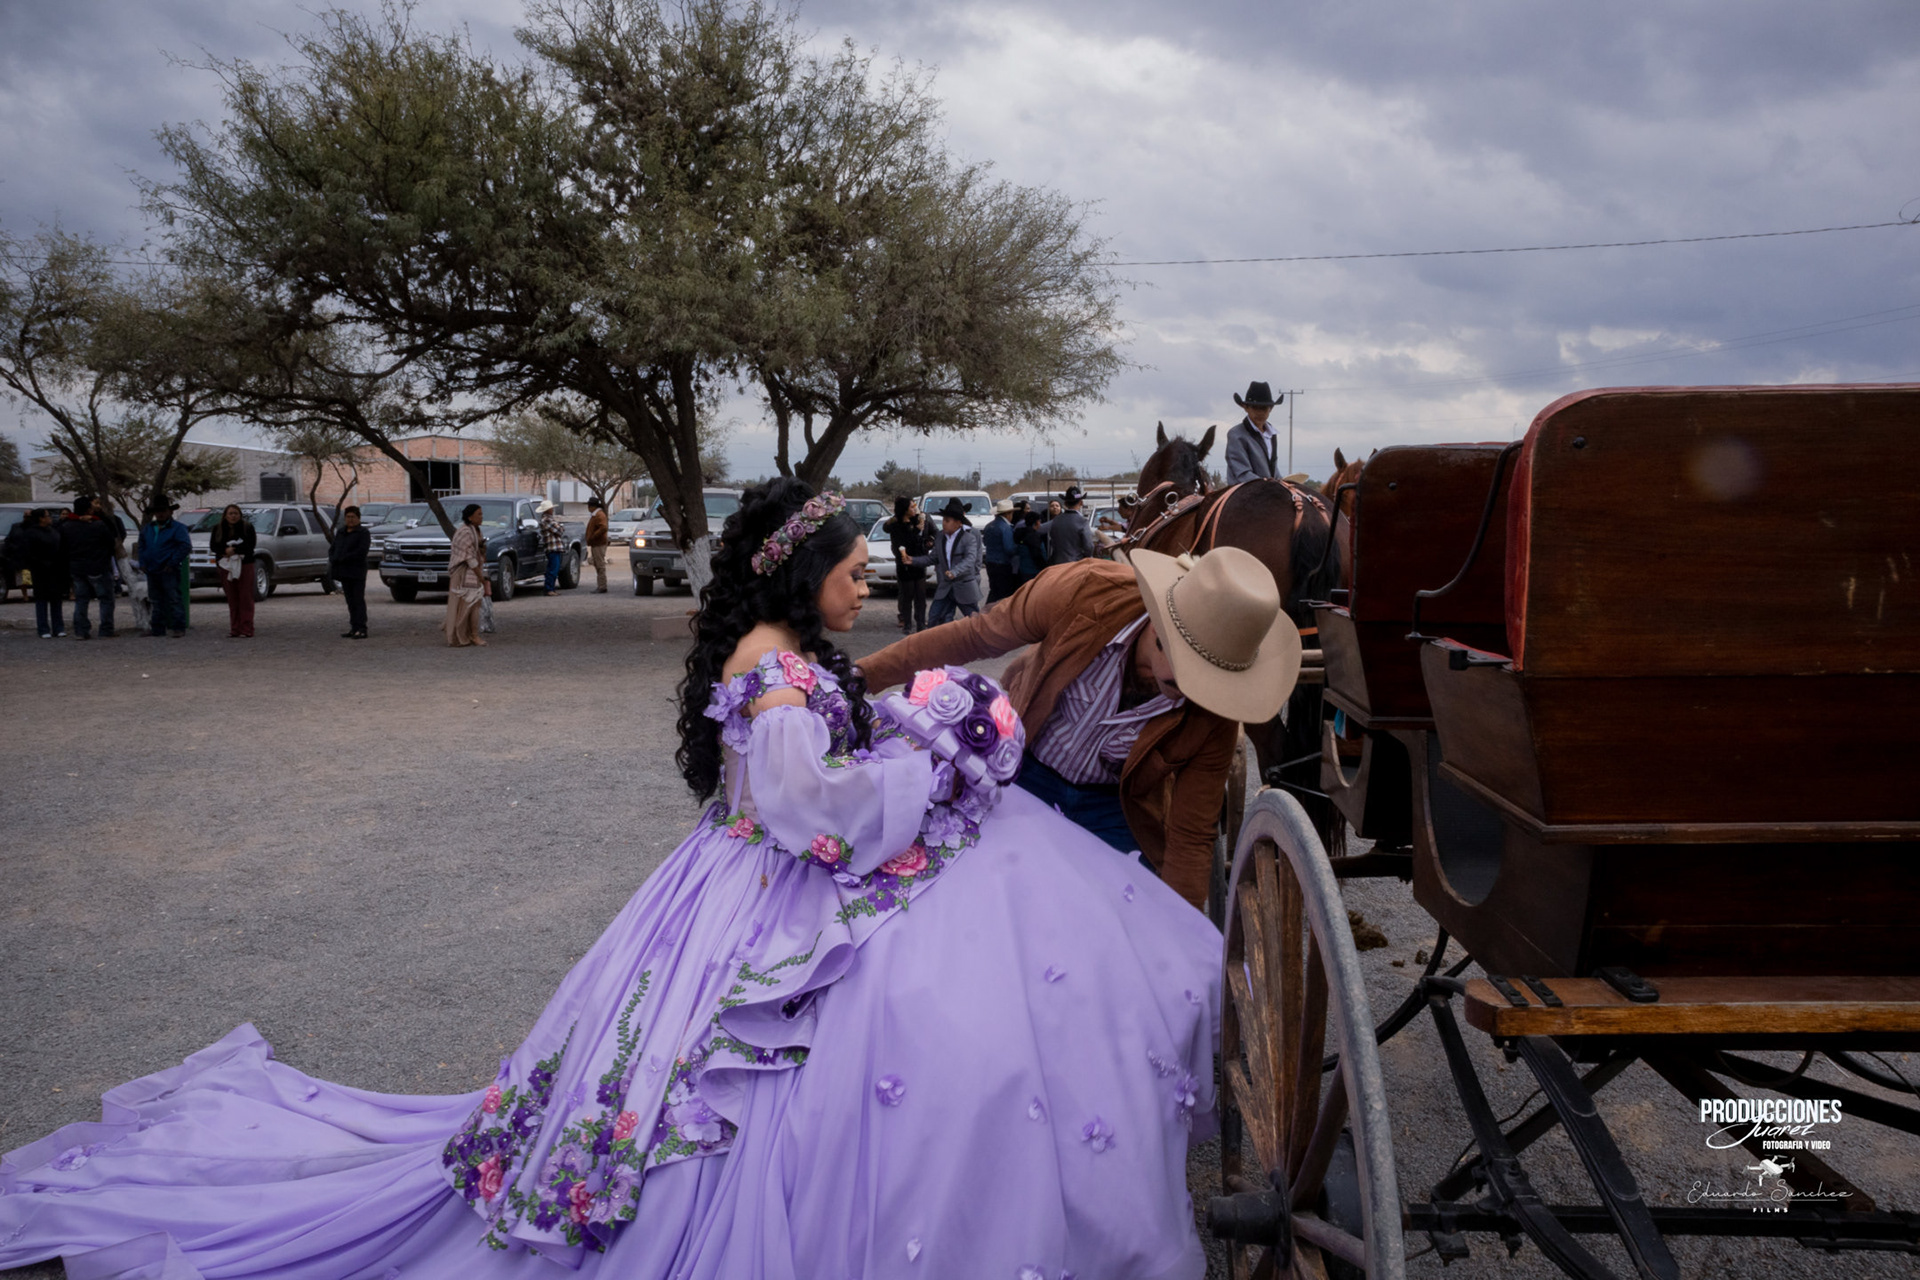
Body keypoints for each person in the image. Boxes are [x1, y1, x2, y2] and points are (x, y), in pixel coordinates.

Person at [0, 477, 1222, 1280]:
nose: (868, 583)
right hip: (765, 881)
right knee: (743, 1074)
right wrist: (938, 753)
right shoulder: (773, 667)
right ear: (800, 575)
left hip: (745, 876)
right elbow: (809, 809)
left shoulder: (789, 651)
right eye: (853, 568)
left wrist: (908, 730)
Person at [861, 546, 1301, 908]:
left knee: (1110, 917)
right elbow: (973, 636)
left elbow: (1191, 835)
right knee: (981, 894)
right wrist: (860, 676)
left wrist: (1180, 934)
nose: (1195, 698)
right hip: (1023, 770)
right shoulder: (1082, 591)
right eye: (1188, 679)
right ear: (1160, 628)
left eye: (1214, 685)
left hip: (1115, 804)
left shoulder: (1214, 717)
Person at [911, 495, 983, 626]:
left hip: (964, 585)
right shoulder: (940, 537)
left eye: (947, 520)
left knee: (974, 619)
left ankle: (982, 638)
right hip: (945, 586)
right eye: (944, 520)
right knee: (934, 617)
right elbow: (933, 557)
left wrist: (956, 572)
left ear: (958, 523)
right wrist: (912, 560)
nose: (944, 523)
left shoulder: (969, 537)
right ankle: (934, 638)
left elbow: (971, 559)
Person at [60, 496, 118, 640]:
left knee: (81, 599)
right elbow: (111, 539)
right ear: (88, 510)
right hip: (98, 565)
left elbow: (62, 546)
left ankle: (81, 630)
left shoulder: (67, 526)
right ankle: (106, 629)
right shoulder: (98, 525)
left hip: (77, 567)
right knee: (106, 598)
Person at [137, 498, 191, 638]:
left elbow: (185, 546)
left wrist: (172, 562)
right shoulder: (148, 528)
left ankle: (178, 627)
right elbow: (141, 546)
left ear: (170, 512)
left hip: (169, 568)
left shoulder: (178, 528)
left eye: (163, 511)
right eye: (158, 511)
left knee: (173, 598)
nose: (160, 514)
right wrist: (142, 563)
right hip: (151, 569)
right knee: (155, 600)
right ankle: (158, 628)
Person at [10, 508, 67, 638]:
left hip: (55, 569)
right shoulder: (31, 533)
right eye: (47, 516)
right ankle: (43, 628)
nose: (50, 518)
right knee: (41, 599)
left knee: (56, 599)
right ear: (41, 518)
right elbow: (28, 553)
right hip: (40, 570)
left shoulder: (53, 531)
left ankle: (58, 627)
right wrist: (41, 563)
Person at [445, 502, 491, 647]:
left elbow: (478, 553)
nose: (482, 517)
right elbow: (469, 558)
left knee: (473, 605)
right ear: (470, 517)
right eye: (479, 514)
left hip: (473, 571)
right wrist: (481, 578)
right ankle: (472, 636)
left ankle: (469, 635)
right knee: (469, 605)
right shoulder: (464, 532)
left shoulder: (476, 531)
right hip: (463, 573)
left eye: (482, 514)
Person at [208, 504, 257, 639]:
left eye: (236, 513)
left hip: (245, 564)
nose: (233, 516)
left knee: (245, 596)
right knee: (232, 597)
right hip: (226, 565)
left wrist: (234, 550)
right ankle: (235, 628)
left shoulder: (247, 527)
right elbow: (214, 546)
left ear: (240, 515)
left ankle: (246, 628)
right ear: (225, 515)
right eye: (230, 513)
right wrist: (224, 551)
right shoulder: (218, 529)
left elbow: (251, 545)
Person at [883, 494, 930, 633]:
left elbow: (924, 539)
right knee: (907, 596)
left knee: (921, 596)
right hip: (904, 565)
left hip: (918, 562)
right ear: (904, 509)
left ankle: (921, 623)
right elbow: (904, 543)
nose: (914, 508)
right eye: (911, 506)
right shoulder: (896, 525)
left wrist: (927, 540)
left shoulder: (919, 520)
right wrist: (917, 531)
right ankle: (907, 624)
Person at [1224, 380, 1284, 483]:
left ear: (1271, 409)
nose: (1259, 413)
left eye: (1264, 408)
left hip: (1269, 489)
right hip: (1244, 490)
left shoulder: (1271, 434)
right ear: (1246, 408)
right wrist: (1269, 485)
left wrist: (1282, 483)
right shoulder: (1236, 434)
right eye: (1255, 408)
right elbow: (1242, 473)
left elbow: (1274, 470)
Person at [329, 505, 372, 638]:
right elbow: (333, 548)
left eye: (353, 517)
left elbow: (362, 551)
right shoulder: (341, 532)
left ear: (358, 518)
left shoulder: (363, 533)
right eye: (348, 517)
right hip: (344, 572)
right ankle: (354, 627)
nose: (350, 519)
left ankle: (362, 628)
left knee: (358, 600)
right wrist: (334, 558)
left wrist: (344, 557)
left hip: (357, 571)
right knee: (350, 601)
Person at [1041, 484, 1098, 566]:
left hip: (1056, 563)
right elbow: (1088, 547)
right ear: (1081, 503)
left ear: (1065, 503)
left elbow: (1039, 530)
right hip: (1075, 564)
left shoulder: (1056, 520)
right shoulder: (1082, 521)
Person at [982, 498, 1017, 602]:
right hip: (1002, 564)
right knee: (1003, 591)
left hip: (990, 561)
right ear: (1008, 514)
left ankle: (989, 609)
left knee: (994, 590)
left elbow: (985, 542)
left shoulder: (989, 526)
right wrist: (1018, 549)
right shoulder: (1005, 527)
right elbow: (1009, 548)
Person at [1011, 503, 1045, 588]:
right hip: (1033, 571)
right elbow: (1036, 555)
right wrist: (1044, 566)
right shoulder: (1033, 536)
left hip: (1023, 569)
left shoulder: (1020, 533)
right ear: (1037, 522)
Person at [538, 499, 567, 595]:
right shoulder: (547, 520)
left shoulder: (547, 519)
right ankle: (549, 589)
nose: (552, 510)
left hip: (554, 547)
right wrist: (560, 526)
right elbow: (559, 531)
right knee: (553, 569)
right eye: (551, 508)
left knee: (554, 568)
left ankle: (551, 588)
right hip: (552, 547)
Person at [583, 497, 610, 593]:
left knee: (600, 565)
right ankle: (601, 585)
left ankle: (602, 586)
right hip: (596, 543)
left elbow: (603, 527)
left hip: (599, 543)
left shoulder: (599, 515)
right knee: (598, 564)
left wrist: (593, 536)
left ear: (592, 506)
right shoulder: (597, 514)